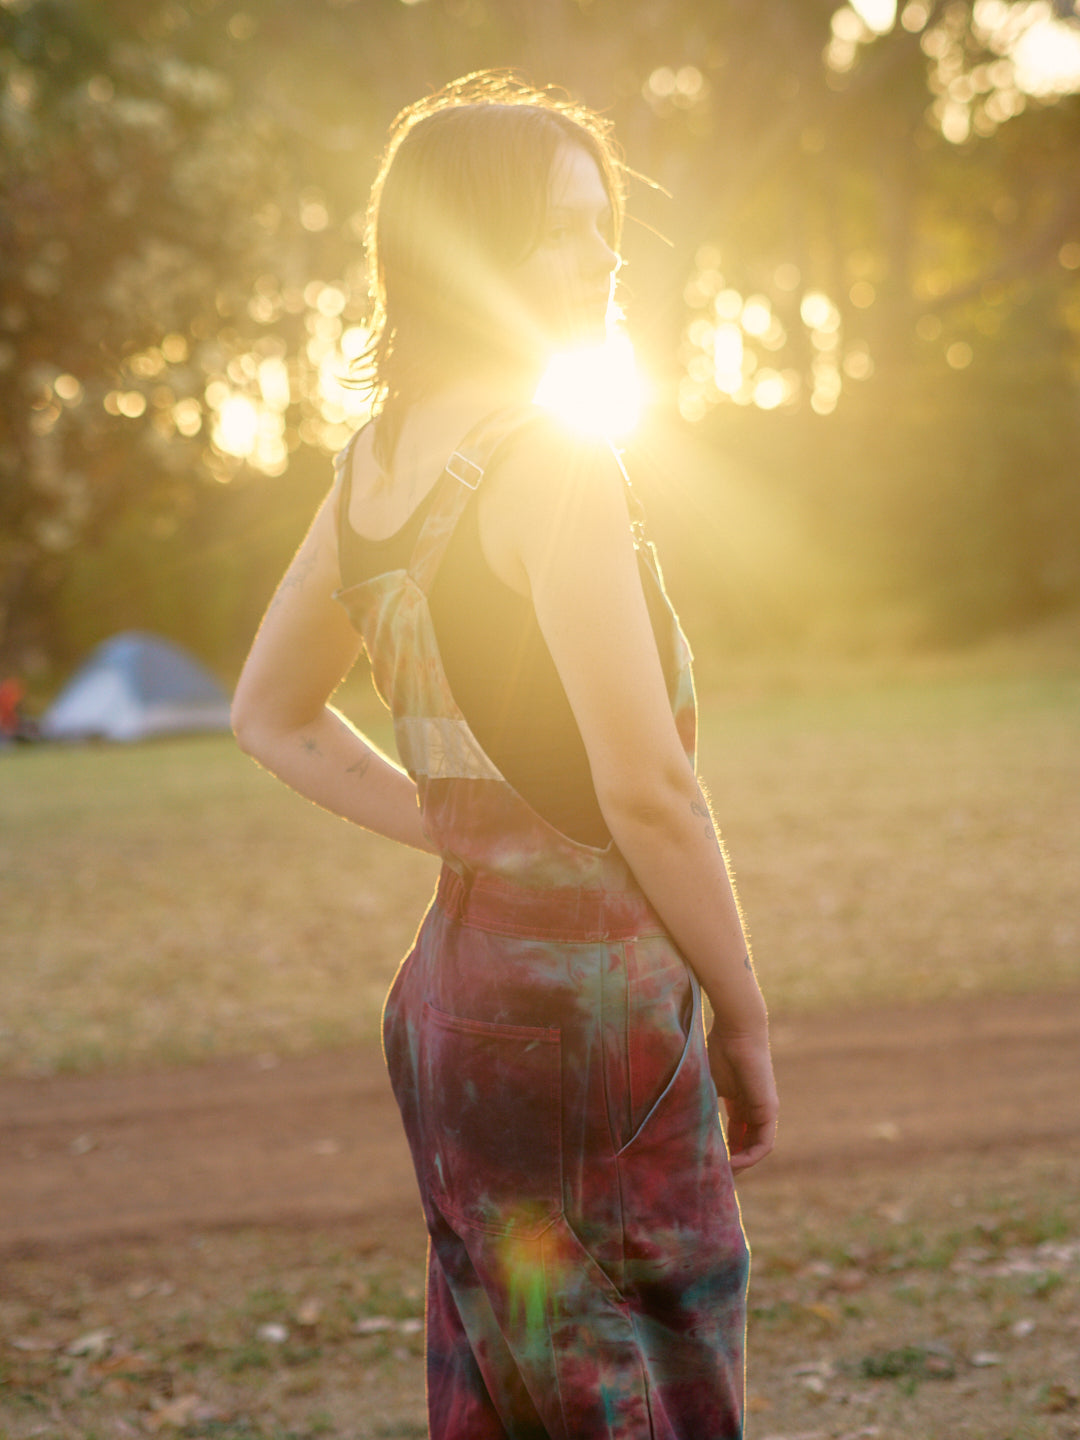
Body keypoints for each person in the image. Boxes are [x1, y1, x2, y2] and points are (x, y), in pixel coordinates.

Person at [232, 71, 778, 1440]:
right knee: (657, 1347)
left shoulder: (375, 467)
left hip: (447, 1000)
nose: (601, 258)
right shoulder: (558, 463)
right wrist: (748, 1016)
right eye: (559, 229)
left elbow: (272, 712)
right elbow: (647, 788)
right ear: (460, 253)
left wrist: (457, 834)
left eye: (603, 226)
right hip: (593, 1002)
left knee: (504, 1355)